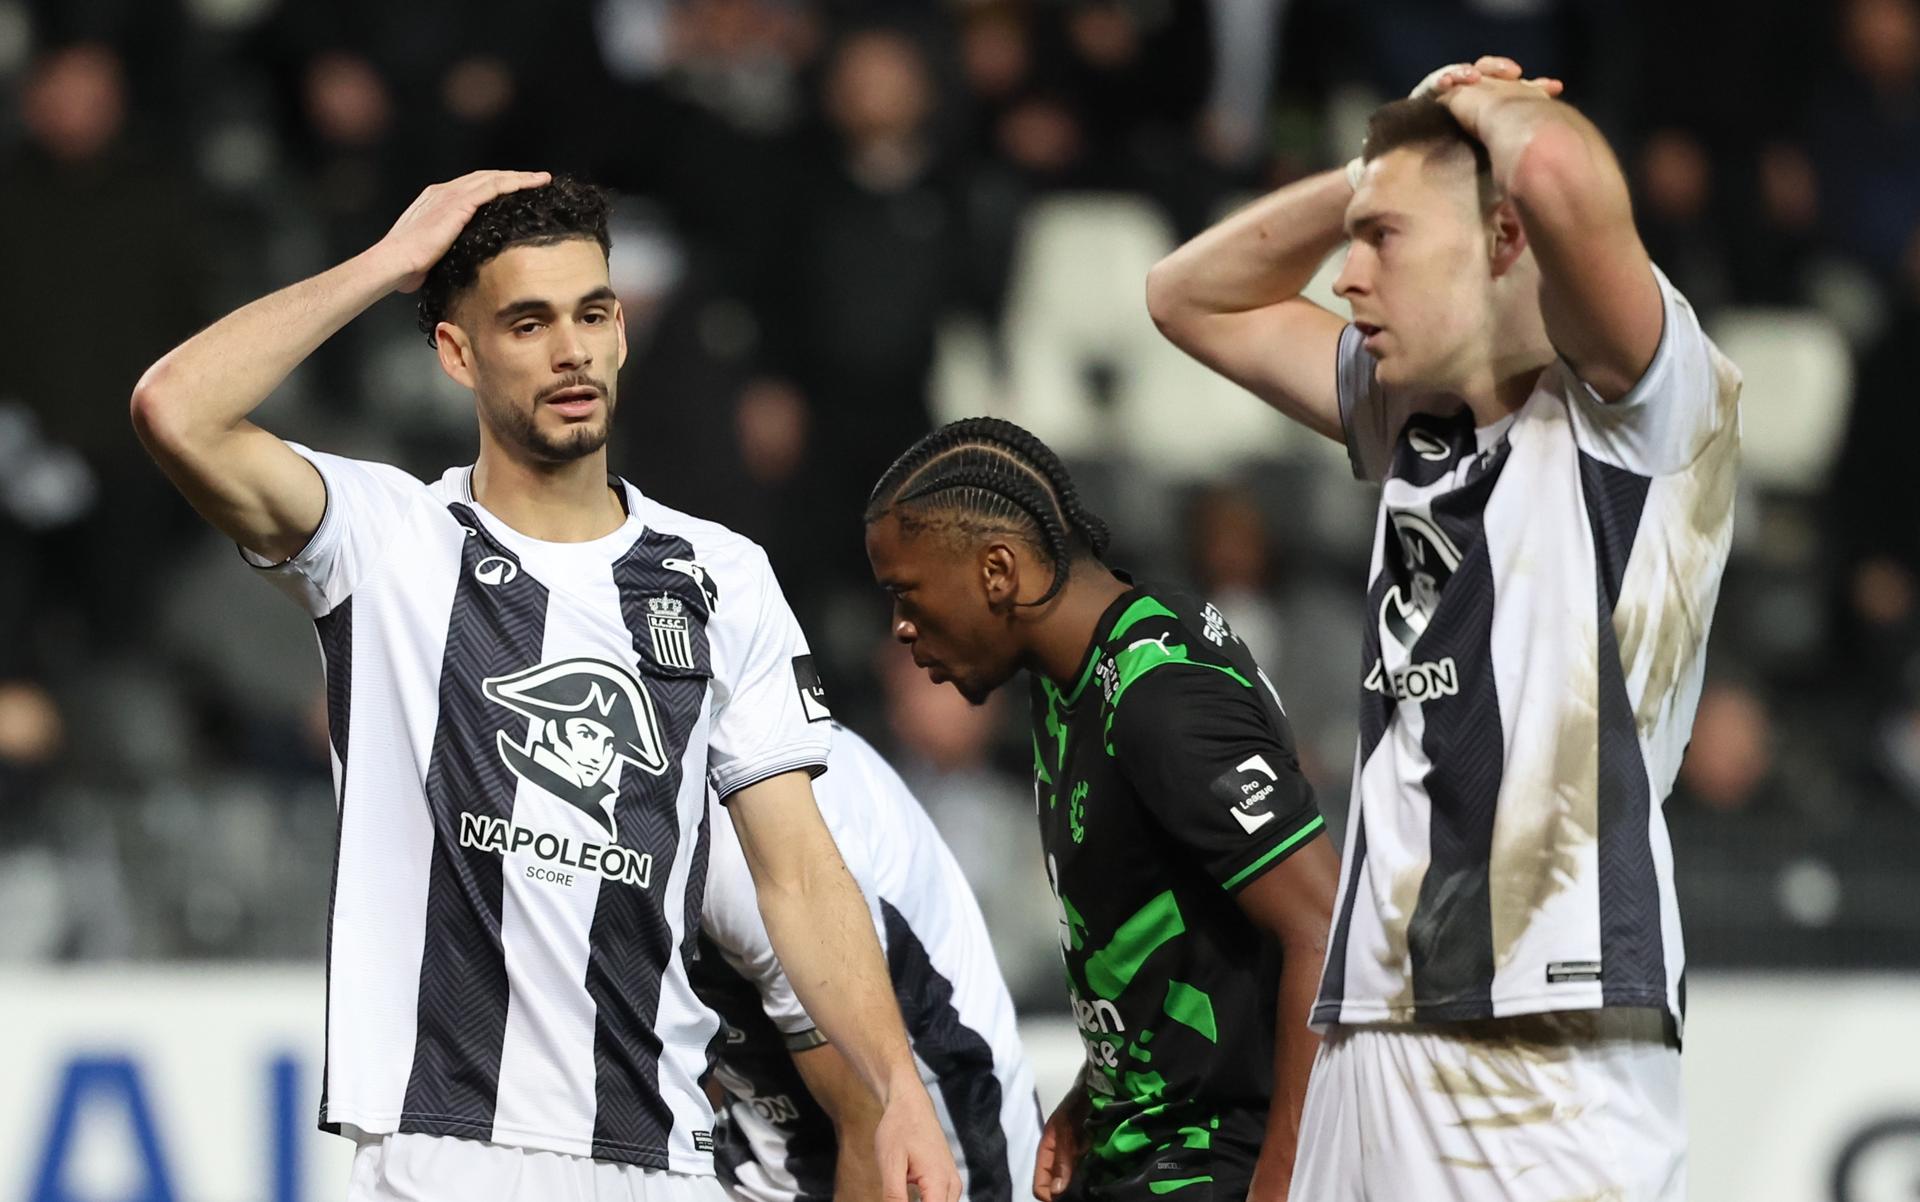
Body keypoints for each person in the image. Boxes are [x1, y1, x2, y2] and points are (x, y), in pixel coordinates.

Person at [130, 171, 960, 1202]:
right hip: (444, 1157)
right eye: (528, 323)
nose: (572, 349)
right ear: (456, 353)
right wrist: (389, 263)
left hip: (663, 1157)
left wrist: (896, 1086)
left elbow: (799, 873)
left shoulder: (721, 573)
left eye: (592, 313)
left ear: (621, 333)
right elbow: (176, 409)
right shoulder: (387, 542)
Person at [1147, 54, 1742, 1202]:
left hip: (1541, 1037)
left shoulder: (1645, 405)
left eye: (1385, 240)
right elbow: (1184, 295)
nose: (1347, 275)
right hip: (1375, 1014)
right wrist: (1374, 177)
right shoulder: (1415, 407)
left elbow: (1557, 167)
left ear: (1504, 238)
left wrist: (1476, 107)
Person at [862, 417, 1340, 1202]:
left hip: (1217, 1164)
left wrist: (1283, 1184)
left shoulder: (1161, 696)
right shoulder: (1070, 679)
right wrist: (1098, 1091)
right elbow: (1180, 927)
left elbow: (1322, 927)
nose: (901, 628)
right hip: (1137, 1148)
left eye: (906, 594)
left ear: (997, 571)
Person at [694, 722, 1042, 1202]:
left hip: (940, 1150)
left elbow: (868, 1124)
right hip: (768, 1140)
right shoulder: (646, 800)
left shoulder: (751, 831)